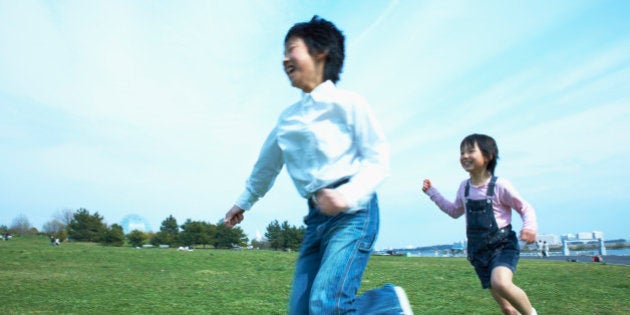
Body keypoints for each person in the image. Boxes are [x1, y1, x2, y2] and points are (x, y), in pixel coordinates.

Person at [224, 16, 413, 314]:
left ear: (320, 52)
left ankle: (389, 303)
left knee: (327, 305)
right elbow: (266, 166)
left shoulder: (349, 104)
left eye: (292, 49)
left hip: (355, 213)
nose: (285, 58)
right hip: (316, 219)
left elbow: (378, 160)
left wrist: (347, 195)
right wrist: (243, 202)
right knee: (301, 311)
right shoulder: (287, 119)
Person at [421, 134, 537, 315]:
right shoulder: (464, 188)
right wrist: (432, 193)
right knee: (506, 308)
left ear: (488, 156)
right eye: (462, 152)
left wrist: (529, 227)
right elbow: (454, 211)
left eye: (470, 151)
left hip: (502, 246)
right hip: (479, 252)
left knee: (501, 282)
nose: (465, 156)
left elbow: (525, 208)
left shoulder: (500, 186)